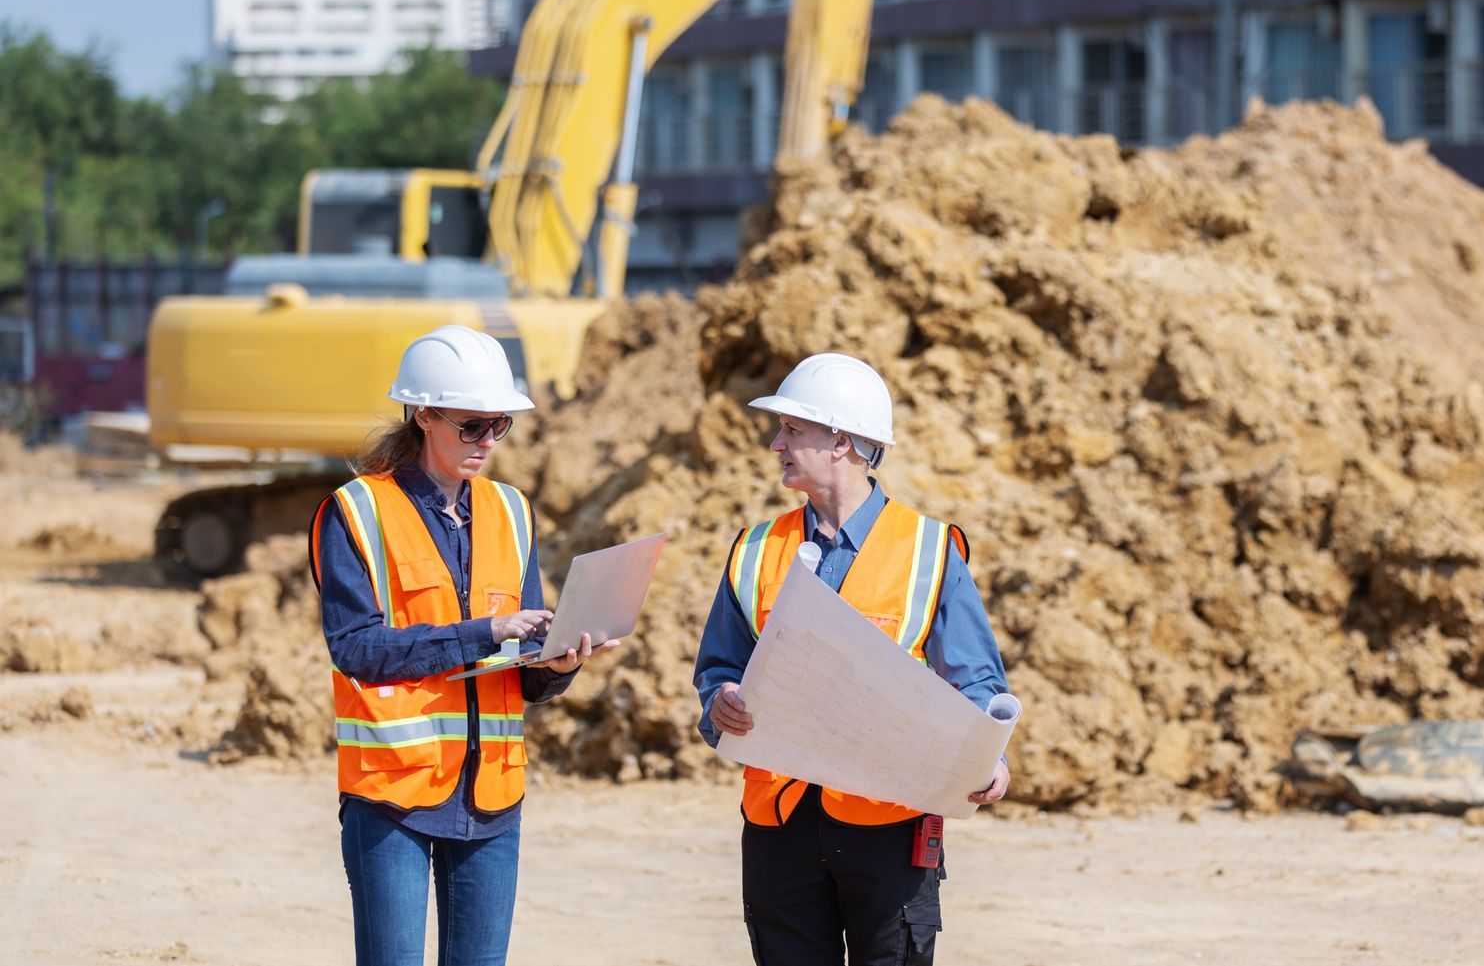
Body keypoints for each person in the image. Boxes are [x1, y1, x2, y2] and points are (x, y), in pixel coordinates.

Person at [308, 324, 618, 966]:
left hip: (492, 793)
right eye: (470, 426)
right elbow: (357, 650)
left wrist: (557, 663)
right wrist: (484, 633)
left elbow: (518, 670)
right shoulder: (356, 512)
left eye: (498, 427)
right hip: (392, 792)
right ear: (423, 415)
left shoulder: (511, 510)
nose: (487, 442)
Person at [693, 353, 1011, 966]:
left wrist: (988, 758)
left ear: (841, 441)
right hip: (780, 820)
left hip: (889, 821)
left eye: (793, 429)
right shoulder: (756, 549)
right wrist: (721, 704)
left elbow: (974, 680)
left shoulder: (929, 550)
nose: (775, 443)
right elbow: (719, 667)